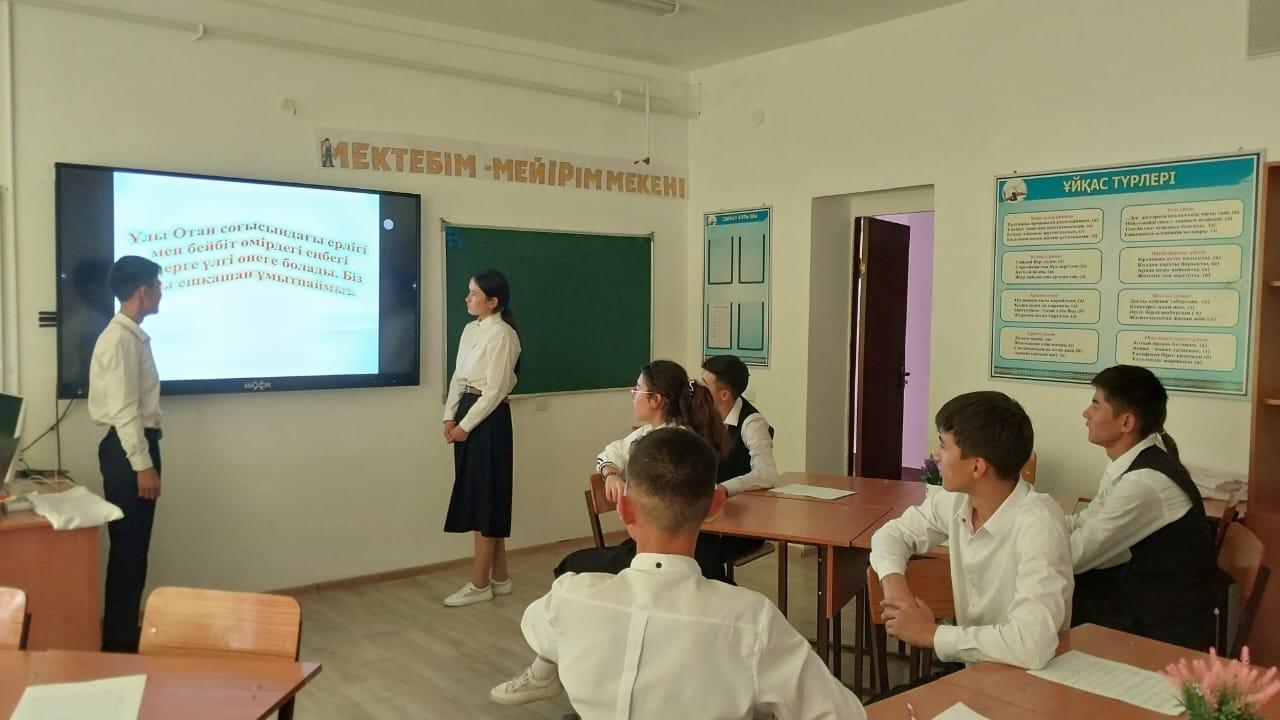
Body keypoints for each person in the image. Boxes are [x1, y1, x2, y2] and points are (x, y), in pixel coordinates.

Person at [492, 428, 868, 719]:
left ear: (623, 508)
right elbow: (839, 714)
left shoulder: (569, 597)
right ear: (714, 506)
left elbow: (540, 632)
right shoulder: (751, 621)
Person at [870, 391, 1073, 671]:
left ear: (977, 466)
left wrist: (930, 634)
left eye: (944, 446)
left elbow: (1031, 644)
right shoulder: (956, 500)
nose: (935, 454)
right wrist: (897, 592)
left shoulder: (1039, 524)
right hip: (976, 669)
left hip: (1028, 680)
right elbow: (891, 535)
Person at [1069, 365, 1215, 649]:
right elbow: (1086, 522)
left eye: (1095, 405)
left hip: (1163, 625)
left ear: (1126, 422)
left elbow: (1076, 556)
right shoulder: (1129, 463)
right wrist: (1034, 523)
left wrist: (1020, 544)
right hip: (1142, 599)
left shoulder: (1145, 482)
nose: (1086, 413)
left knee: (1050, 596)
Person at [553, 359, 731, 580]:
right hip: (664, 543)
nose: (633, 395)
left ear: (656, 400)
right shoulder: (649, 433)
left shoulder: (673, 443)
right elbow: (611, 453)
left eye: (637, 389)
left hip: (669, 548)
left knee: (571, 566)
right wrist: (611, 474)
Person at [89, 256, 164, 653]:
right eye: (158, 286)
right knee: (129, 550)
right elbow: (124, 411)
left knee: (133, 550)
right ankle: (119, 644)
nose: (161, 294)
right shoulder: (119, 339)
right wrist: (143, 465)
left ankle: (122, 636)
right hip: (128, 451)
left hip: (131, 448)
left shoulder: (130, 336)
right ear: (143, 291)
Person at [441, 269, 522, 607]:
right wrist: (449, 416)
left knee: (487, 498)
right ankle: (500, 577)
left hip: (488, 420)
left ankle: (479, 584)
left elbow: (495, 391)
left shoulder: (503, 334)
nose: (467, 298)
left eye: (474, 294)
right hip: (467, 412)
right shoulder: (470, 330)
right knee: (480, 495)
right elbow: (459, 377)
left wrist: (466, 426)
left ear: (493, 301)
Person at [698, 354, 778, 567]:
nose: (698, 388)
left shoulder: (752, 423)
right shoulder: (703, 414)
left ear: (724, 394)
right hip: (706, 515)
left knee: (699, 553)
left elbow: (767, 474)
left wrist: (724, 489)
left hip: (742, 521)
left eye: (704, 384)